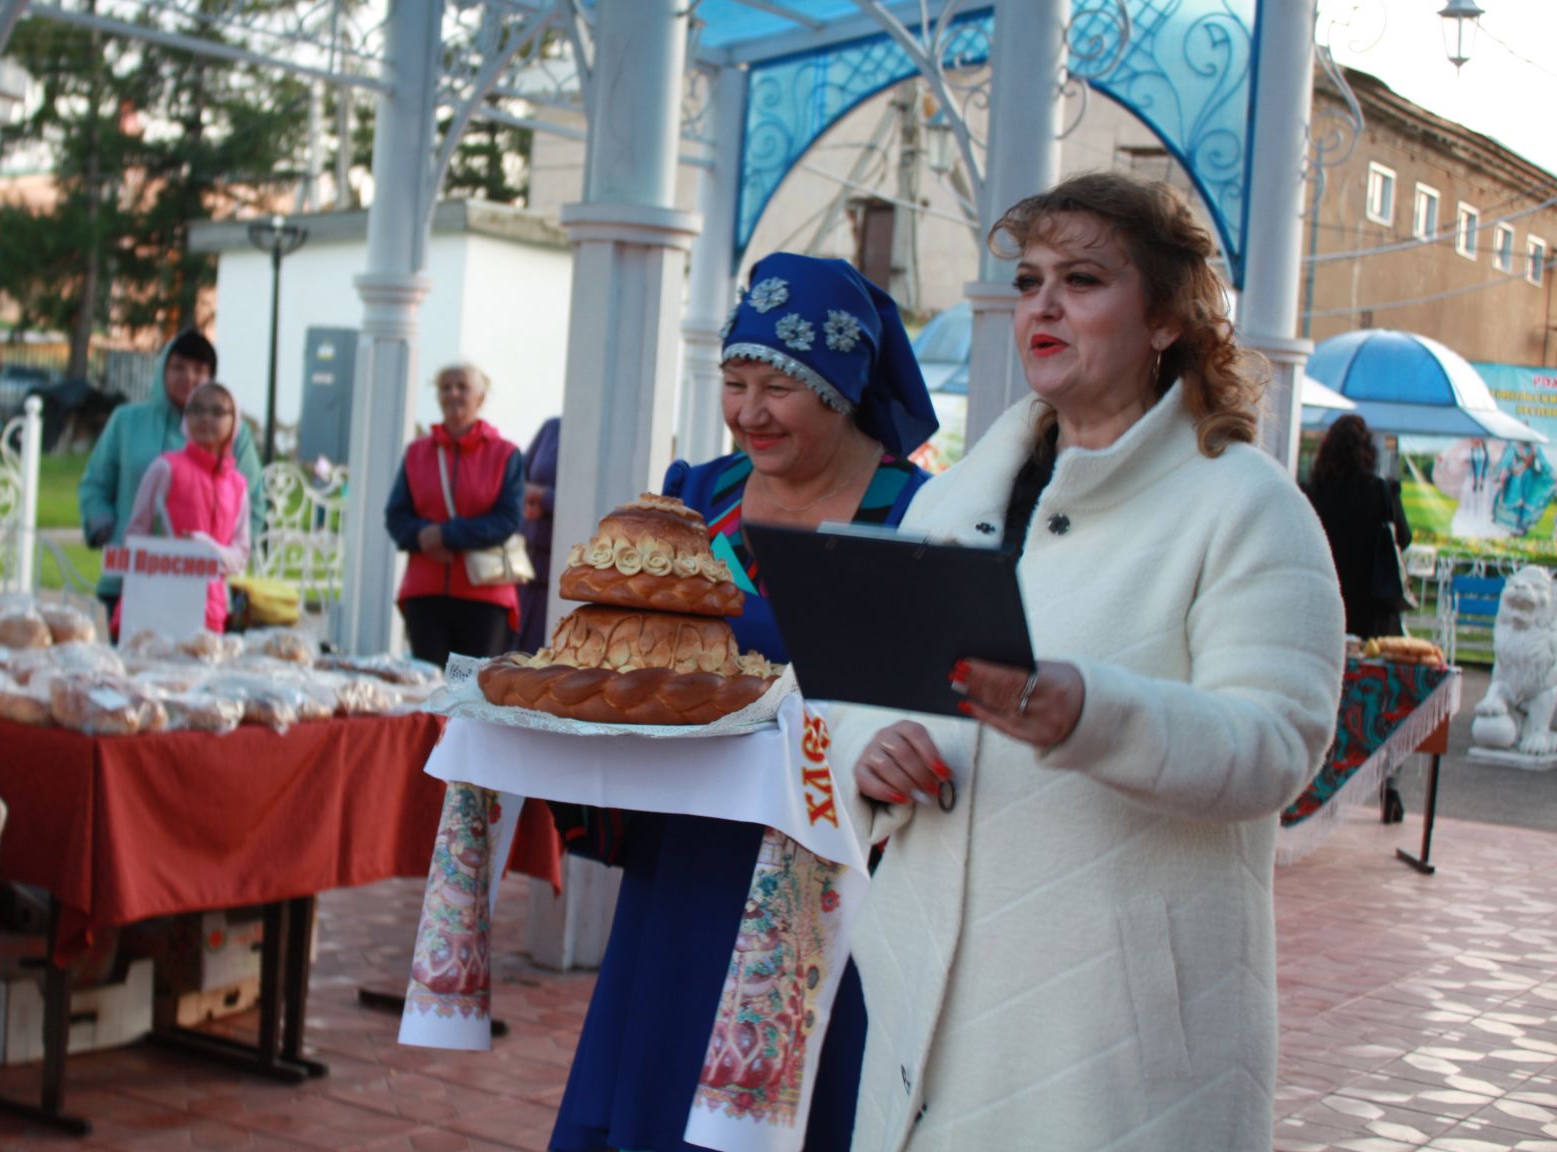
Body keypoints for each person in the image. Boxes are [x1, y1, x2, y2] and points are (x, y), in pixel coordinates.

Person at [832, 173, 1345, 1151]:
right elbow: (858, 687)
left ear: (1165, 318)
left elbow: (1278, 745)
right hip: (928, 1009)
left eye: (1083, 278)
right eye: (1028, 280)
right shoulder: (953, 498)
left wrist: (1090, 713)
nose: (1045, 304)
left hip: (1113, 1043)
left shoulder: (1245, 504)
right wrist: (868, 747)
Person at [550, 254, 937, 1152]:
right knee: (666, 1065)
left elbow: (928, 690)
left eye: (778, 388)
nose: (749, 412)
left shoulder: (909, 514)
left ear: (842, 391)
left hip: (830, 858)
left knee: (802, 1091)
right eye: (734, 382)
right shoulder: (695, 500)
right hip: (687, 850)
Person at [79, 329, 263, 633]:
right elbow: (95, 484)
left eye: (199, 370)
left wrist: (227, 559)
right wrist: (108, 531)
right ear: (162, 369)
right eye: (178, 367)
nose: (188, 377)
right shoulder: (127, 421)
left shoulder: (233, 434)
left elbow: (251, 499)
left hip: (204, 593)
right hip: (133, 579)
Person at [385, 363, 524, 665]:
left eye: (462, 387)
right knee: (428, 689)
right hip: (426, 593)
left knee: (472, 695)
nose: (453, 393)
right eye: (445, 387)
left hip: (485, 595)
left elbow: (508, 519)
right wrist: (422, 537)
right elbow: (396, 516)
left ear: (481, 396)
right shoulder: (416, 453)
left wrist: (446, 535)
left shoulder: (506, 454)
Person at [119, 382, 250, 635]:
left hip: (212, 613)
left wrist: (210, 551)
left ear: (234, 421)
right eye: (196, 410)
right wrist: (173, 556)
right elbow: (136, 535)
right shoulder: (165, 468)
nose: (205, 419)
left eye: (216, 412)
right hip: (158, 606)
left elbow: (240, 554)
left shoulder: (238, 486)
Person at [1303, 413, 1411, 640]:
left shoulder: (1311, 493)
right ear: (1368, 451)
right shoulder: (1380, 491)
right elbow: (1404, 538)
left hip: (1323, 600)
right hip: (1371, 606)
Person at [515, 415, 560, 652]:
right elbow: (518, 475)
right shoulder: (552, 428)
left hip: (560, 575)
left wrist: (544, 497)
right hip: (526, 570)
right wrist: (526, 496)